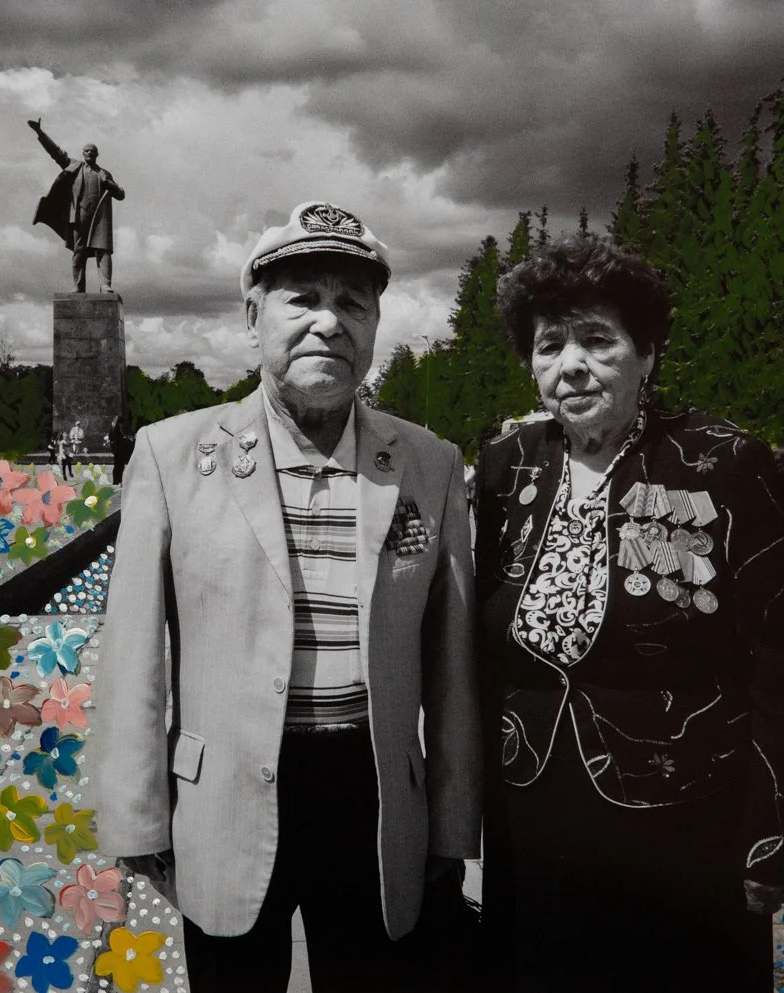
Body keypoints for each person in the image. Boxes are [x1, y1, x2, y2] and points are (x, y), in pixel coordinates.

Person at [92, 201, 480, 993]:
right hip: (223, 799)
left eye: (352, 302)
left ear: (374, 323)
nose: (328, 322)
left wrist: (452, 822)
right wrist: (135, 815)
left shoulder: (430, 464)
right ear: (252, 314)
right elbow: (132, 653)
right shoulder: (170, 455)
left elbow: (452, 670)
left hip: (374, 801)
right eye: (303, 297)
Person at [476, 236, 784, 991]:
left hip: (681, 821)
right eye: (549, 345)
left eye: (598, 341)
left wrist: (772, 833)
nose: (570, 365)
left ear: (648, 355)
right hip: (532, 810)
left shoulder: (723, 462)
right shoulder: (510, 464)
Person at [29, 118, 126, 293]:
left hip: (100, 218)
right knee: (78, 251)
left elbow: (121, 195)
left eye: (92, 151)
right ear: (83, 153)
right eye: (86, 150)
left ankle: (105, 285)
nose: (89, 153)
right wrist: (40, 133)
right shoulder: (74, 166)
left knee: (103, 251)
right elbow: (56, 153)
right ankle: (78, 286)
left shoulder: (104, 173)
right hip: (79, 215)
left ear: (97, 154)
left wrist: (109, 184)